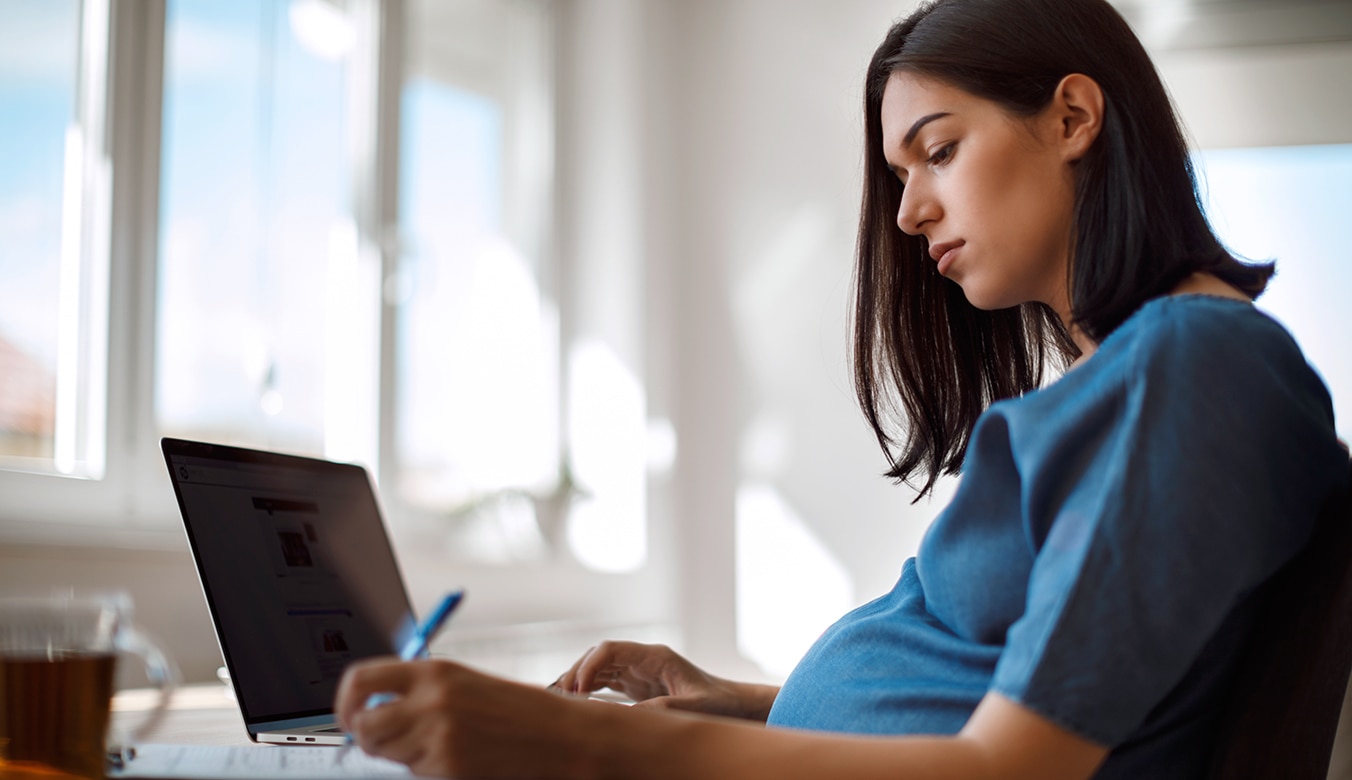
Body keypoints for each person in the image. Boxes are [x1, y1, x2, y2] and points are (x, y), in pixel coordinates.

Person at [334, 0, 1350, 777]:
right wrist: (735, 701)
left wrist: (569, 743)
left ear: (1071, 116)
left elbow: (1008, 768)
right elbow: (1012, 698)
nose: (907, 214)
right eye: (899, 174)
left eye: (937, 151)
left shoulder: (1191, 372)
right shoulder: (1153, 375)